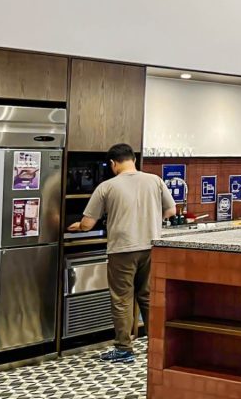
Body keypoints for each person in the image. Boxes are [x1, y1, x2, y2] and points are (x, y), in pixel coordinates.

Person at [68, 143, 176, 363]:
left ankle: (124, 349)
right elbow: (171, 210)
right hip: (151, 247)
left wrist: (77, 226)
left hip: (122, 250)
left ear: (113, 164)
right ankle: (156, 345)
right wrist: (151, 220)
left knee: (122, 299)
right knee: (147, 297)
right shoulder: (155, 180)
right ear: (133, 160)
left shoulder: (107, 186)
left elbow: (88, 224)